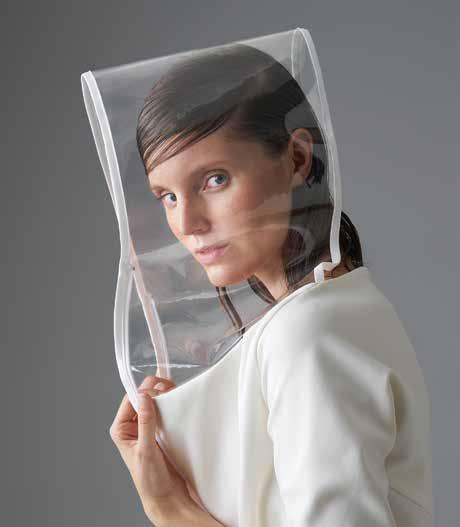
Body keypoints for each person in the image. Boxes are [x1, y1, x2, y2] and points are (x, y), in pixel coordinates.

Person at [84, 31, 433, 526]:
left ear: (297, 159)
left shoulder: (308, 332)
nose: (187, 223)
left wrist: (169, 507)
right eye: (168, 196)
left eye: (214, 179)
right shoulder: (335, 309)